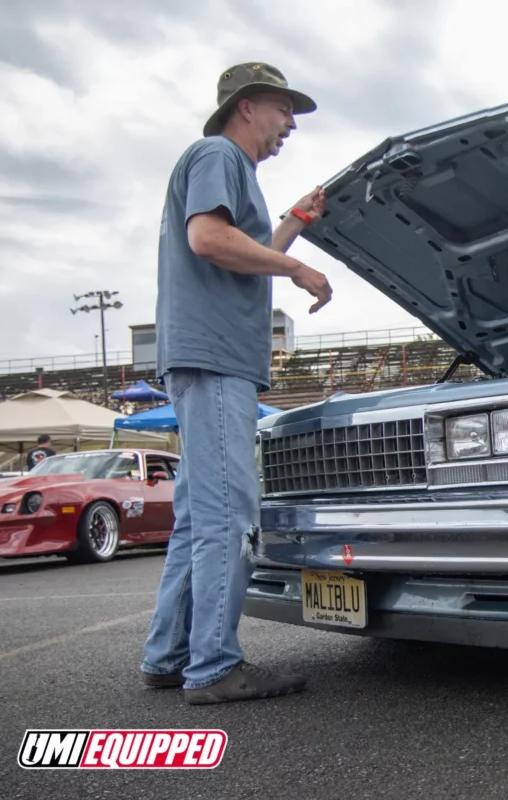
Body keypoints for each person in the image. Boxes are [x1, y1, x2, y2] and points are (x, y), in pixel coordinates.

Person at [140, 62, 333, 705]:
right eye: (285, 110)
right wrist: (298, 268)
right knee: (231, 516)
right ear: (247, 106)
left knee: (199, 517)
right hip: (217, 357)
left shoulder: (231, 170)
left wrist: (295, 222)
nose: (290, 126)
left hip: (203, 358)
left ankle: (170, 655)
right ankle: (215, 668)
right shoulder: (218, 153)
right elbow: (209, 239)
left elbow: (240, 251)